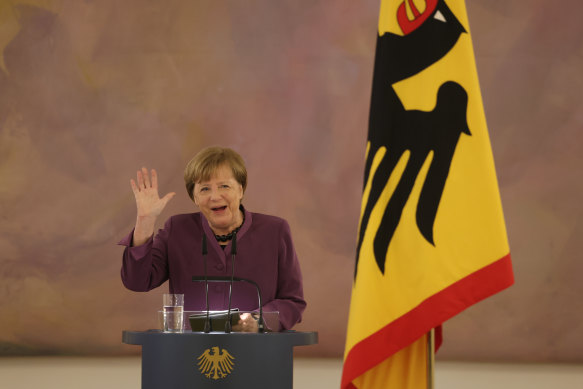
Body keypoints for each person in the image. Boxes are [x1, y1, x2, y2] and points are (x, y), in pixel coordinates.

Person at [118, 146, 306, 332]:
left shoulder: (274, 231)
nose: (215, 196)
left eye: (224, 186)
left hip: (256, 352)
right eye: (205, 189)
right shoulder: (177, 229)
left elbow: (293, 301)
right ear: (195, 197)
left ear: (240, 190)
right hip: (190, 354)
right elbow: (137, 281)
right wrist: (145, 221)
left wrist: (258, 320)